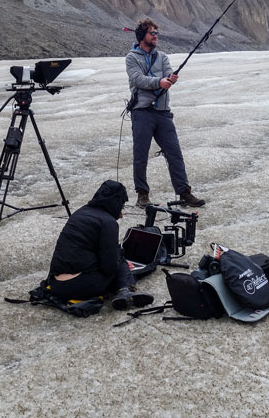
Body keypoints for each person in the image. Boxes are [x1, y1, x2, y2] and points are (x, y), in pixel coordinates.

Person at [125, 19, 205, 209]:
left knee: (175, 153)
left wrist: (170, 79)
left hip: (162, 113)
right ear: (142, 36)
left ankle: (184, 192)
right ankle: (142, 195)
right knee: (140, 155)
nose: (155, 36)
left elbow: (168, 73)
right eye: (152, 33)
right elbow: (137, 79)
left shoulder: (162, 56)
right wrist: (160, 82)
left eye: (156, 33)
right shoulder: (131, 58)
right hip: (141, 113)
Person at [46, 180, 154, 310]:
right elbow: (110, 267)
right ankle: (125, 290)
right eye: (122, 205)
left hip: (55, 284)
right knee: (119, 256)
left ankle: (124, 289)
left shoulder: (80, 212)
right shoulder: (107, 222)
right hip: (79, 286)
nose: (122, 211)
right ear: (116, 203)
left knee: (111, 255)